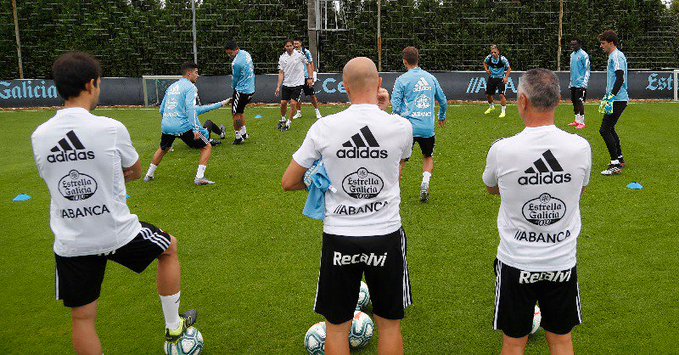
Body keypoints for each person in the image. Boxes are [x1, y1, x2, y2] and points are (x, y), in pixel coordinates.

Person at [30, 52, 197, 354]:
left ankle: (174, 326)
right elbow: (134, 170)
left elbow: (54, 179)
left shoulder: (39, 135)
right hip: (115, 230)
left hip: (71, 240)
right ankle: (174, 327)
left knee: (82, 318)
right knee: (169, 248)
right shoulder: (109, 127)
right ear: (91, 84)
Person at [282, 57, 413, 355]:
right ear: (379, 83)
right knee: (390, 324)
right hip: (386, 235)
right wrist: (384, 109)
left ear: (344, 87)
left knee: (337, 326)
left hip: (340, 236)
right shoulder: (401, 127)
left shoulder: (324, 128)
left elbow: (289, 181)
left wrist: (323, 185)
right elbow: (396, 175)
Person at [482, 69, 591, 355]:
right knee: (562, 340)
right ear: (558, 101)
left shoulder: (502, 150)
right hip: (561, 261)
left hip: (516, 260)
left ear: (522, 101)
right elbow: (580, 191)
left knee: (514, 342)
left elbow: (492, 189)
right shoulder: (580, 147)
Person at [144, 62, 228, 185]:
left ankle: (149, 175)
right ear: (189, 73)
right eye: (196, 72)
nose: (198, 75)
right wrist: (195, 129)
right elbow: (191, 109)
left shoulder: (171, 87)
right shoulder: (191, 87)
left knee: (163, 148)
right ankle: (199, 178)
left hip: (167, 124)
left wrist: (168, 120)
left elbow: (161, 109)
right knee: (206, 147)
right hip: (182, 126)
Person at [391, 46, 448, 202]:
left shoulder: (402, 80)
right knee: (427, 156)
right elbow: (443, 101)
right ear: (418, 59)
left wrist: (397, 120)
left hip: (408, 127)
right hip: (427, 128)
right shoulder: (430, 78)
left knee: (401, 160)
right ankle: (425, 183)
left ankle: (394, 193)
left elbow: (395, 106)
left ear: (404, 61)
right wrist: (442, 116)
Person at [598, 30, 628, 176]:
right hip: (616, 99)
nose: (601, 46)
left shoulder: (616, 56)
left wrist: (611, 96)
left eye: (603, 43)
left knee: (604, 130)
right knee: (610, 128)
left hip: (617, 99)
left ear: (611, 43)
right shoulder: (614, 55)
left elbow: (620, 78)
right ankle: (620, 158)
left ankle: (615, 163)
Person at [275, 39, 311, 131]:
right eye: (287, 46)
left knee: (293, 103)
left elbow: (308, 64)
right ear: (285, 47)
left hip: (298, 83)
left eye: (291, 46)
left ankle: (288, 123)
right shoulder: (282, 57)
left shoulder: (300, 54)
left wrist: (310, 77)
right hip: (287, 84)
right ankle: (283, 119)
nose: (289, 47)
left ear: (293, 46)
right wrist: (278, 86)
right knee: (283, 103)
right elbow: (281, 72)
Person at [226, 40, 256, 145]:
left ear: (236, 50)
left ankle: (238, 137)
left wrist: (233, 88)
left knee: (235, 113)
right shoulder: (246, 53)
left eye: (230, 53)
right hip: (251, 89)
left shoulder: (236, 63)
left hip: (241, 90)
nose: (229, 55)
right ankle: (244, 133)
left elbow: (235, 79)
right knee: (241, 111)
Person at [292, 39, 322, 120]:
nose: (295, 45)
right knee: (296, 96)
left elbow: (311, 64)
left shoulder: (306, 52)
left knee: (312, 95)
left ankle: (317, 111)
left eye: (297, 43)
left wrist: (311, 77)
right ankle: (299, 113)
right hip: (296, 78)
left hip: (306, 77)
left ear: (300, 44)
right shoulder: (292, 53)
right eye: (294, 43)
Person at [483, 45, 512, 118]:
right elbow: (484, 62)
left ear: (498, 52)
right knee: (488, 95)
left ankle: (503, 111)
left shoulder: (503, 59)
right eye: (492, 52)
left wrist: (506, 78)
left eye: (495, 52)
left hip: (500, 79)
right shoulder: (489, 58)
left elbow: (509, 69)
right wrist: (486, 70)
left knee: (501, 95)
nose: (493, 54)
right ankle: (491, 106)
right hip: (491, 78)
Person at [568, 39, 590, 130]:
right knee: (574, 101)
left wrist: (584, 84)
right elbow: (572, 70)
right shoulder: (572, 55)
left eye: (574, 44)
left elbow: (587, 70)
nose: (572, 46)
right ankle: (577, 120)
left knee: (579, 101)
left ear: (579, 44)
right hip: (573, 83)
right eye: (571, 45)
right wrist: (570, 82)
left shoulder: (584, 55)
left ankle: (582, 122)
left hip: (581, 84)